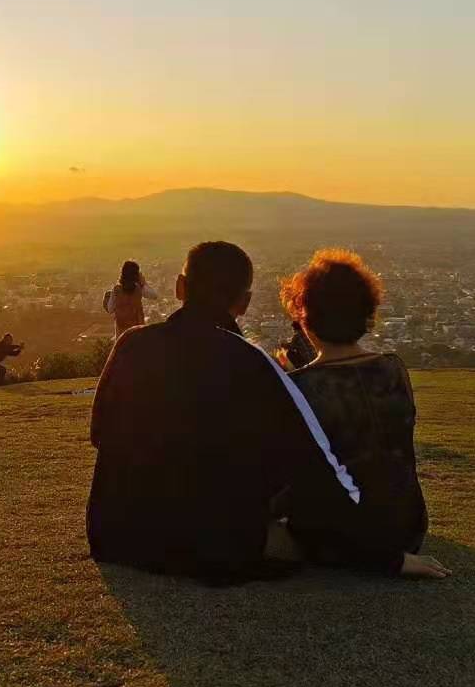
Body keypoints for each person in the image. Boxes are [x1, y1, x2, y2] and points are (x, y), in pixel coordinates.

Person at [87, 240, 449, 583]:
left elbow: (99, 432)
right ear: (243, 303)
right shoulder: (252, 364)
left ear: (180, 287)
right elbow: (316, 470)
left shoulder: (131, 343)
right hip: (206, 548)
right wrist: (389, 559)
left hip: (117, 537)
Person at [280, 249, 443, 575]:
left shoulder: (299, 386)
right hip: (408, 529)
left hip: (338, 541)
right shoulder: (394, 369)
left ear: (305, 319)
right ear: (367, 315)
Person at [103, 260, 156, 337]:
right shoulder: (139, 289)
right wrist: (143, 283)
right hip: (137, 330)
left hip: (121, 332)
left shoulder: (116, 290)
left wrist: (108, 297)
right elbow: (154, 296)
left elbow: (110, 309)